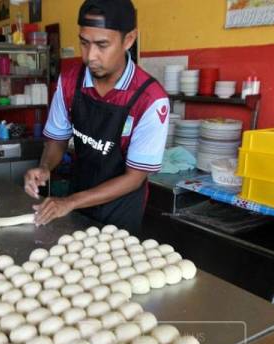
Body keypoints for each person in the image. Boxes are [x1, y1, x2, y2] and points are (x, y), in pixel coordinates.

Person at [25, 0, 169, 234]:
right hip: (78, 199)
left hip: (120, 211)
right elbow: (58, 140)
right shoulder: (70, 82)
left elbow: (134, 178)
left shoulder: (150, 100)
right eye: (84, 43)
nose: (90, 56)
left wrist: (70, 202)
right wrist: (45, 166)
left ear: (129, 39)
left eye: (102, 45)